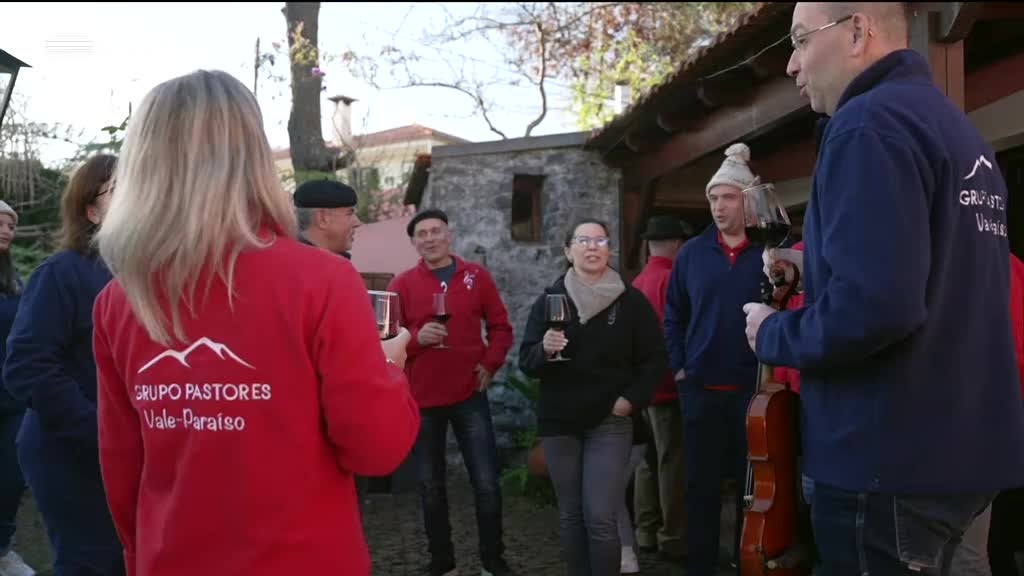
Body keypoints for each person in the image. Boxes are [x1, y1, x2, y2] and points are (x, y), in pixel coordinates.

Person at [90, 69, 420, 576]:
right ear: (252, 158)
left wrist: (140, 558)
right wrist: (389, 368)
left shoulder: (119, 299)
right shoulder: (324, 281)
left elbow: (122, 467)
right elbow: (375, 449)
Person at [743, 4, 1024, 574]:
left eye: (799, 41)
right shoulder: (958, 132)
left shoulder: (867, 124)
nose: (793, 65)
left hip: (886, 463)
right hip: (963, 454)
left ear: (857, 31)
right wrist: (812, 264)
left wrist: (773, 332)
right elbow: (939, 273)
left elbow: (877, 308)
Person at [519, 218, 667, 576]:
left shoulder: (631, 301)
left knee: (600, 515)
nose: (592, 247)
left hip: (610, 420)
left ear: (609, 251)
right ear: (569, 252)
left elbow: (655, 359)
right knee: (571, 515)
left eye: (600, 241)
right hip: (560, 421)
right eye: (583, 240)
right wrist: (545, 350)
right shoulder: (550, 300)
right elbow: (527, 360)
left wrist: (630, 400)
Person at [3, 154, 123, 576]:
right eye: (118, 188)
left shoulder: (151, 273)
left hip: (135, 455)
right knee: (92, 562)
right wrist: (99, 431)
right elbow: (27, 366)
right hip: (72, 454)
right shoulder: (62, 274)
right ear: (91, 211)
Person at [387, 208, 515, 576]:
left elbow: (501, 327)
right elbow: (385, 343)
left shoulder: (478, 276)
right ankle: (443, 563)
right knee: (430, 486)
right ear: (413, 243)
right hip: (422, 398)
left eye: (435, 231)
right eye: (421, 234)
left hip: (469, 394)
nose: (429, 238)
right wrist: (415, 340)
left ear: (449, 234)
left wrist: (490, 364)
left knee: (487, 483)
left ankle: (493, 560)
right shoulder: (403, 284)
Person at [663, 142, 766, 576]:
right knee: (699, 490)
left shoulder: (769, 253)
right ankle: (700, 568)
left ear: (747, 200)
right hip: (701, 391)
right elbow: (673, 316)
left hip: (753, 393)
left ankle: (747, 565)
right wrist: (681, 369)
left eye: (728, 197)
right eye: (713, 198)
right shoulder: (690, 254)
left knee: (753, 491)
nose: (719, 207)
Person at [631, 215, 691, 564]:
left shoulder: (637, 281)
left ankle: (645, 531)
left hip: (642, 387)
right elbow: (678, 334)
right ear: (675, 244)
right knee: (671, 462)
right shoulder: (672, 279)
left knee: (646, 462)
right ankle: (672, 536)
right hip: (669, 385)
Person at [0, 201, 35, 576]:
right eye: (0, 223)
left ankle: (1, 551)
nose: (7, 231)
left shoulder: (15, 282)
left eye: (11, 225)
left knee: (10, 476)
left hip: (11, 397)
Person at [293, 178, 361, 259]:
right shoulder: (319, 268)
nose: (358, 223)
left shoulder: (287, 259)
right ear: (323, 219)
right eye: (349, 213)